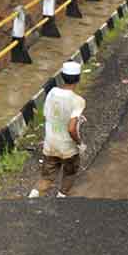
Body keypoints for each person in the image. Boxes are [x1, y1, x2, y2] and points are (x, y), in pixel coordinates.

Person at [29, 62, 85, 199]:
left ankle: (31, 198)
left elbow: (47, 114)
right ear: (78, 78)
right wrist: (79, 143)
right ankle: (61, 199)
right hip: (68, 149)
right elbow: (71, 128)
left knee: (47, 177)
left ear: (62, 76)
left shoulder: (52, 93)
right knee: (69, 173)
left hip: (50, 144)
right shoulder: (78, 101)